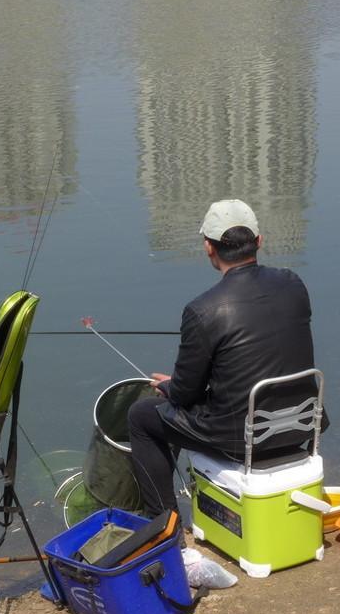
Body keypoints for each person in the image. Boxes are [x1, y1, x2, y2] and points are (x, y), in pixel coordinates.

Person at [128, 199, 326, 516]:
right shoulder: (293, 284)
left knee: (142, 416)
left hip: (242, 440)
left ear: (209, 247)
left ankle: (163, 526)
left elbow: (185, 394)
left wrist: (170, 387)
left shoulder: (203, 310)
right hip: (302, 426)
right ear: (259, 241)